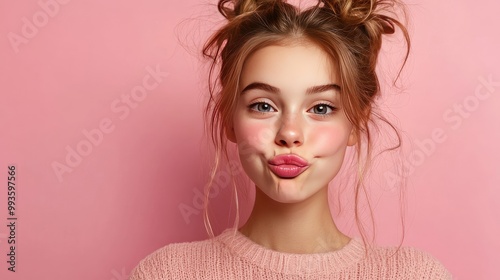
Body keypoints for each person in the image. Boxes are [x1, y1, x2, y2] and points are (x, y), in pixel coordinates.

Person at [130, 0, 452, 279]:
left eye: (321, 108)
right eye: (263, 105)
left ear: (356, 122)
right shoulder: (167, 274)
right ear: (230, 118)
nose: (290, 134)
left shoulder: (417, 276)